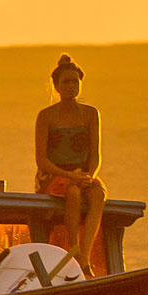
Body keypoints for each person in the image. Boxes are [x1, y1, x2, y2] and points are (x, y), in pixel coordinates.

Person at [35, 54, 107, 274]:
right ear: (56, 86)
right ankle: (73, 248)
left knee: (98, 195)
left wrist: (90, 175)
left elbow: (95, 154)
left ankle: (86, 256)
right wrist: (69, 176)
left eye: (75, 81)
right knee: (73, 193)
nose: (71, 86)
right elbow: (41, 160)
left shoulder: (90, 114)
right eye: (66, 82)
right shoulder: (46, 116)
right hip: (54, 174)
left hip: (82, 172)